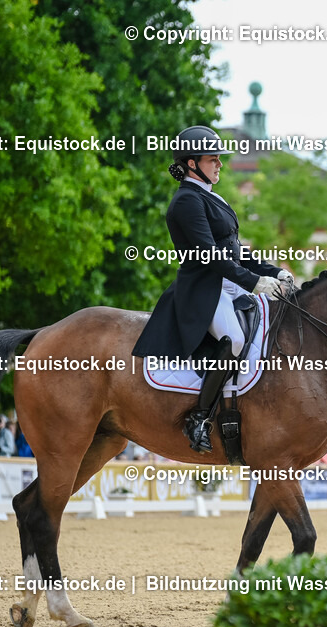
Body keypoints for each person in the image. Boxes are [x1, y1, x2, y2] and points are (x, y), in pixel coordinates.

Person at [132, 126, 293, 453]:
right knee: (233, 339)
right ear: (191, 163)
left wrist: (272, 271)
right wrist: (254, 282)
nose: (219, 164)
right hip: (203, 290)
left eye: (219, 159)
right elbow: (210, 254)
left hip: (229, 285)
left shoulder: (210, 195)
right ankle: (199, 417)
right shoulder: (187, 201)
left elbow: (235, 250)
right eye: (212, 159)